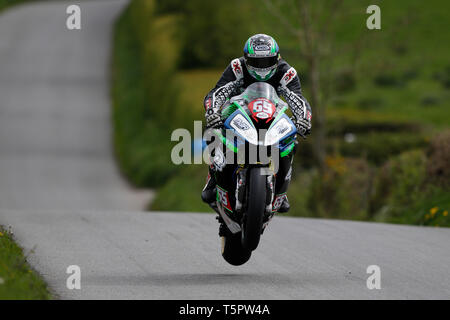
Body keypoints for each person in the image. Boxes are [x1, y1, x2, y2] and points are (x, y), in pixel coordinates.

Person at [201, 33, 312, 217]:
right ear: (246, 59)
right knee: (212, 129)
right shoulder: (237, 67)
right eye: (257, 62)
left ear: (277, 59)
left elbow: (297, 99)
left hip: (271, 114)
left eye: (267, 61)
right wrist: (212, 111)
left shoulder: (286, 71)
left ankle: (281, 193)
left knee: (292, 139)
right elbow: (218, 91)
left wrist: (304, 119)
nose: (262, 68)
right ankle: (213, 177)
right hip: (238, 111)